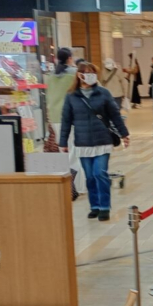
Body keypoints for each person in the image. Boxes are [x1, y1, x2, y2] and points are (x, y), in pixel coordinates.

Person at [59, 62, 130, 222]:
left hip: (102, 140)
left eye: (92, 72)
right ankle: (95, 206)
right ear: (79, 75)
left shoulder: (103, 93)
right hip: (83, 142)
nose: (90, 75)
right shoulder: (71, 96)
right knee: (90, 176)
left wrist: (124, 134)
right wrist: (63, 142)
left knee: (100, 173)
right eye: (86, 72)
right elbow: (66, 120)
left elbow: (115, 115)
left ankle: (104, 207)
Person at [45, 47, 82, 199]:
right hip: (71, 116)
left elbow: (49, 98)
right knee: (74, 151)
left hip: (55, 116)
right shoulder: (74, 74)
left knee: (63, 150)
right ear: (70, 58)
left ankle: (65, 185)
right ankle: (76, 186)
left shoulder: (50, 76)